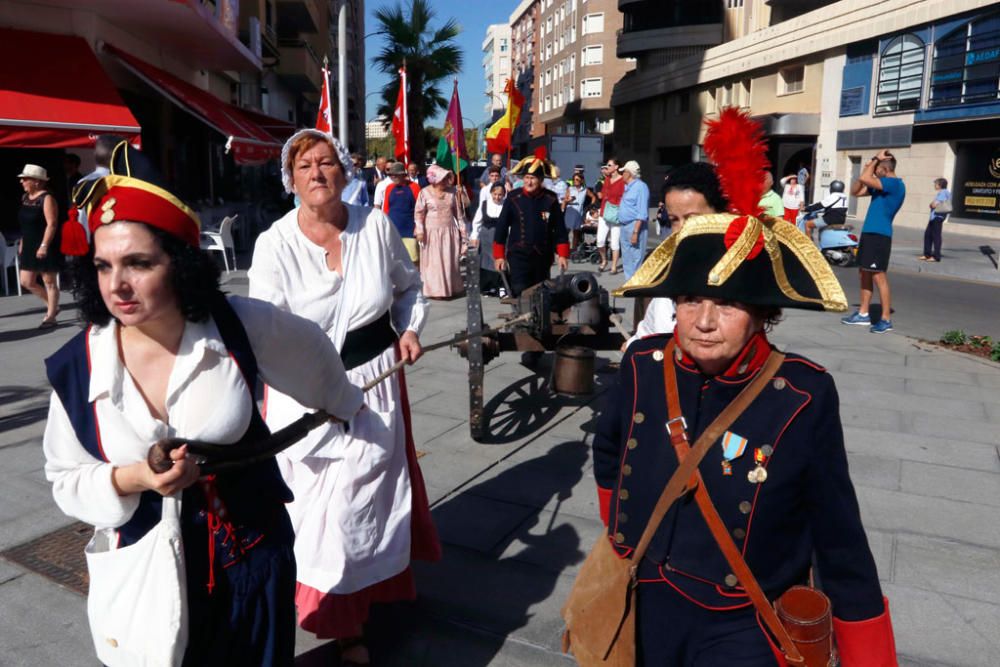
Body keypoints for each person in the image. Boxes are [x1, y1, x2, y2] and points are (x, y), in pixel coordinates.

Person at [43, 141, 365, 665]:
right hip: (144, 572)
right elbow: (65, 477)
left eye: (138, 263)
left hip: (249, 563)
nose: (117, 286)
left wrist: (346, 404)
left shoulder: (239, 324)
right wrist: (135, 479)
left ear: (181, 262)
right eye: (103, 266)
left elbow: (314, 355)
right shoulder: (77, 366)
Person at [595, 110, 897, 666]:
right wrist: (621, 544)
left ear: (762, 313)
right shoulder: (642, 363)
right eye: (690, 301)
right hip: (645, 603)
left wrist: (867, 655)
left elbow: (839, 537)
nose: (704, 321)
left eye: (728, 304)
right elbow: (611, 454)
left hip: (743, 625)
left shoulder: (802, 393)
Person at [248, 129, 441, 664]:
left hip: (376, 384)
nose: (316, 172)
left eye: (326, 162)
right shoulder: (275, 244)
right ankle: (330, 612)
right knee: (318, 513)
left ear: (344, 171)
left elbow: (408, 286)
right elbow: (266, 333)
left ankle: (354, 616)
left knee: (365, 500)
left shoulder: (374, 226)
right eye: (304, 165)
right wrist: (318, 392)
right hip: (305, 396)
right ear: (291, 179)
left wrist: (408, 328)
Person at [628, 162, 729, 346]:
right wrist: (634, 345)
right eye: (674, 219)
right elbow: (647, 329)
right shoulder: (660, 268)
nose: (682, 229)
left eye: (693, 218)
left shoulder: (738, 272)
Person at [842, 149, 905, 334]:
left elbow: (864, 177)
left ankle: (885, 319)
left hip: (880, 235)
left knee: (879, 276)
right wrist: (871, 165)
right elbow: (855, 191)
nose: (874, 171)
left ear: (884, 169)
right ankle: (863, 314)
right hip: (870, 233)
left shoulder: (893, 184)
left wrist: (874, 161)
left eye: (877, 169)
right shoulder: (881, 186)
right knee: (864, 273)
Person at [492, 151, 570, 297]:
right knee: (520, 292)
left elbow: (560, 230)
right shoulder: (514, 197)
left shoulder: (550, 199)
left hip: (542, 257)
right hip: (518, 256)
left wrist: (563, 255)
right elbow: (501, 228)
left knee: (542, 295)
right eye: (526, 178)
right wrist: (499, 256)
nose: (529, 182)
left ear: (540, 179)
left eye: (533, 178)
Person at [16, 164, 62, 328]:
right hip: (29, 243)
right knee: (26, 281)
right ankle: (53, 305)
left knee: (49, 281)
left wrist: (44, 245)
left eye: (25, 179)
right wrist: (23, 241)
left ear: (36, 181)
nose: (22, 181)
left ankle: (51, 316)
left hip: (44, 243)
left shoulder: (47, 198)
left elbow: (52, 224)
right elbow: (25, 224)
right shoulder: (25, 198)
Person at [414, 164, 468, 299]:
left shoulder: (452, 193)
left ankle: (451, 288)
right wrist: (420, 231)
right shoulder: (424, 192)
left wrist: (464, 236)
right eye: (442, 179)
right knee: (434, 263)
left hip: (449, 232)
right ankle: (435, 291)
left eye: (446, 178)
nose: (445, 181)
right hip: (431, 232)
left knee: (449, 261)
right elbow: (419, 214)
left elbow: (459, 216)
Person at [470, 181, 507, 297]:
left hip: (501, 237)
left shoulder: (506, 205)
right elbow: (477, 221)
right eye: (495, 194)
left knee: (500, 261)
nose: (497, 197)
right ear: (491, 193)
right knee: (486, 263)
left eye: (500, 194)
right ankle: (487, 287)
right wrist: (474, 236)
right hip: (486, 238)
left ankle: (501, 287)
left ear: (504, 195)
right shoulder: (485, 204)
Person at [382, 161, 422, 266]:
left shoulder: (414, 187)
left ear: (403, 175)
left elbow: (420, 209)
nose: (393, 177)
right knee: (394, 261)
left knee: (413, 260)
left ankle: (416, 280)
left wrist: (418, 227)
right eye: (391, 175)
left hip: (410, 230)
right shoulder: (389, 188)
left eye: (395, 175)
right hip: (393, 229)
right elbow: (386, 209)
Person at [617, 160, 650, 280]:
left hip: (634, 226)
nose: (622, 174)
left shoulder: (641, 187)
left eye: (624, 171)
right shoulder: (628, 187)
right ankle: (628, 282)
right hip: (624, 225)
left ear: (629, 173)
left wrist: (635, 232)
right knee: (626, 256)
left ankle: (636, 283)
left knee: (636, 256)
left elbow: (642, 213)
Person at [597, 158, 625, 274]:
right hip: (604, 212)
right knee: (600, 241)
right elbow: (603, 194)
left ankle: (614, 266)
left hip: (616, 213)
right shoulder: (607, 179)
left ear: (616, 167)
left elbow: (624, 197)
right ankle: (604, 260)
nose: (607, 167)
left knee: (614, 242)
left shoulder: (623, 180)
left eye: (609, 165)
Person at [919, 177, 951, 262]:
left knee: (936, 236)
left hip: (937, 217)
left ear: (940, 185)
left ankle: (936, 256)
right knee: (928, 235)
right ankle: (927, 254)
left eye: (936, 184)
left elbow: (934, 205)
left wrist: (931, 204)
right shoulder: (943, 192)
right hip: (935, 217)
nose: (934, 185)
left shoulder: (943, 192)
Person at [562, 171, 595, 250]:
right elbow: (565, 200)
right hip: (570, 211)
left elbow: (593, 197)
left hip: (578, 212)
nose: (575, 181)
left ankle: (574, 249)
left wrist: (590, 206)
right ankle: (565, 248)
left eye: (577, 180)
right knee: (566, 231)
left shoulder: (585, 190)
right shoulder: (570, 189)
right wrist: (566, 203)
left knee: (576, 233)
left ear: (581, 180)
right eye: (574, 179)